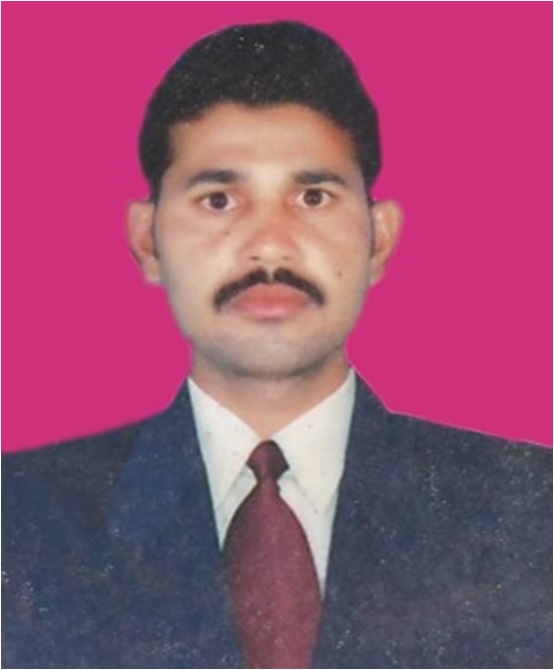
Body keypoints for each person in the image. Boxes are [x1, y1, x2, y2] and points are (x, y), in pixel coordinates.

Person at [2, 20, 551, 670]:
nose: (269, 246)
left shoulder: (532, 510)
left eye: (313, 197)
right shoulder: (18, 519)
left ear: (378, 239)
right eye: (218, 200)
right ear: (148, 240)